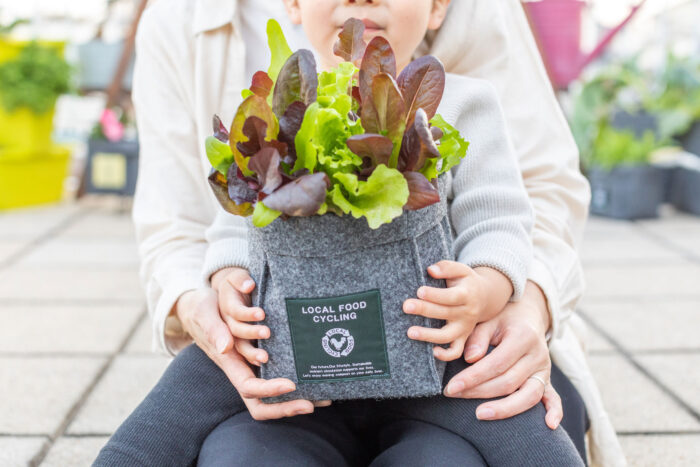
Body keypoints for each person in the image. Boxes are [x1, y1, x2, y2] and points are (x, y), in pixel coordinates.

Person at [96, 1, 625, 466]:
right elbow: (239, 218)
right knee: (188, 388)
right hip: (293, 343)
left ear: (439, 8)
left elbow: (501, 217)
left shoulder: (467, 105)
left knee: (516, 415)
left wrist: (488, 287)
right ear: (294, 5)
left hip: (430, 337)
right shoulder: (282, 115)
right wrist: (227, 278)